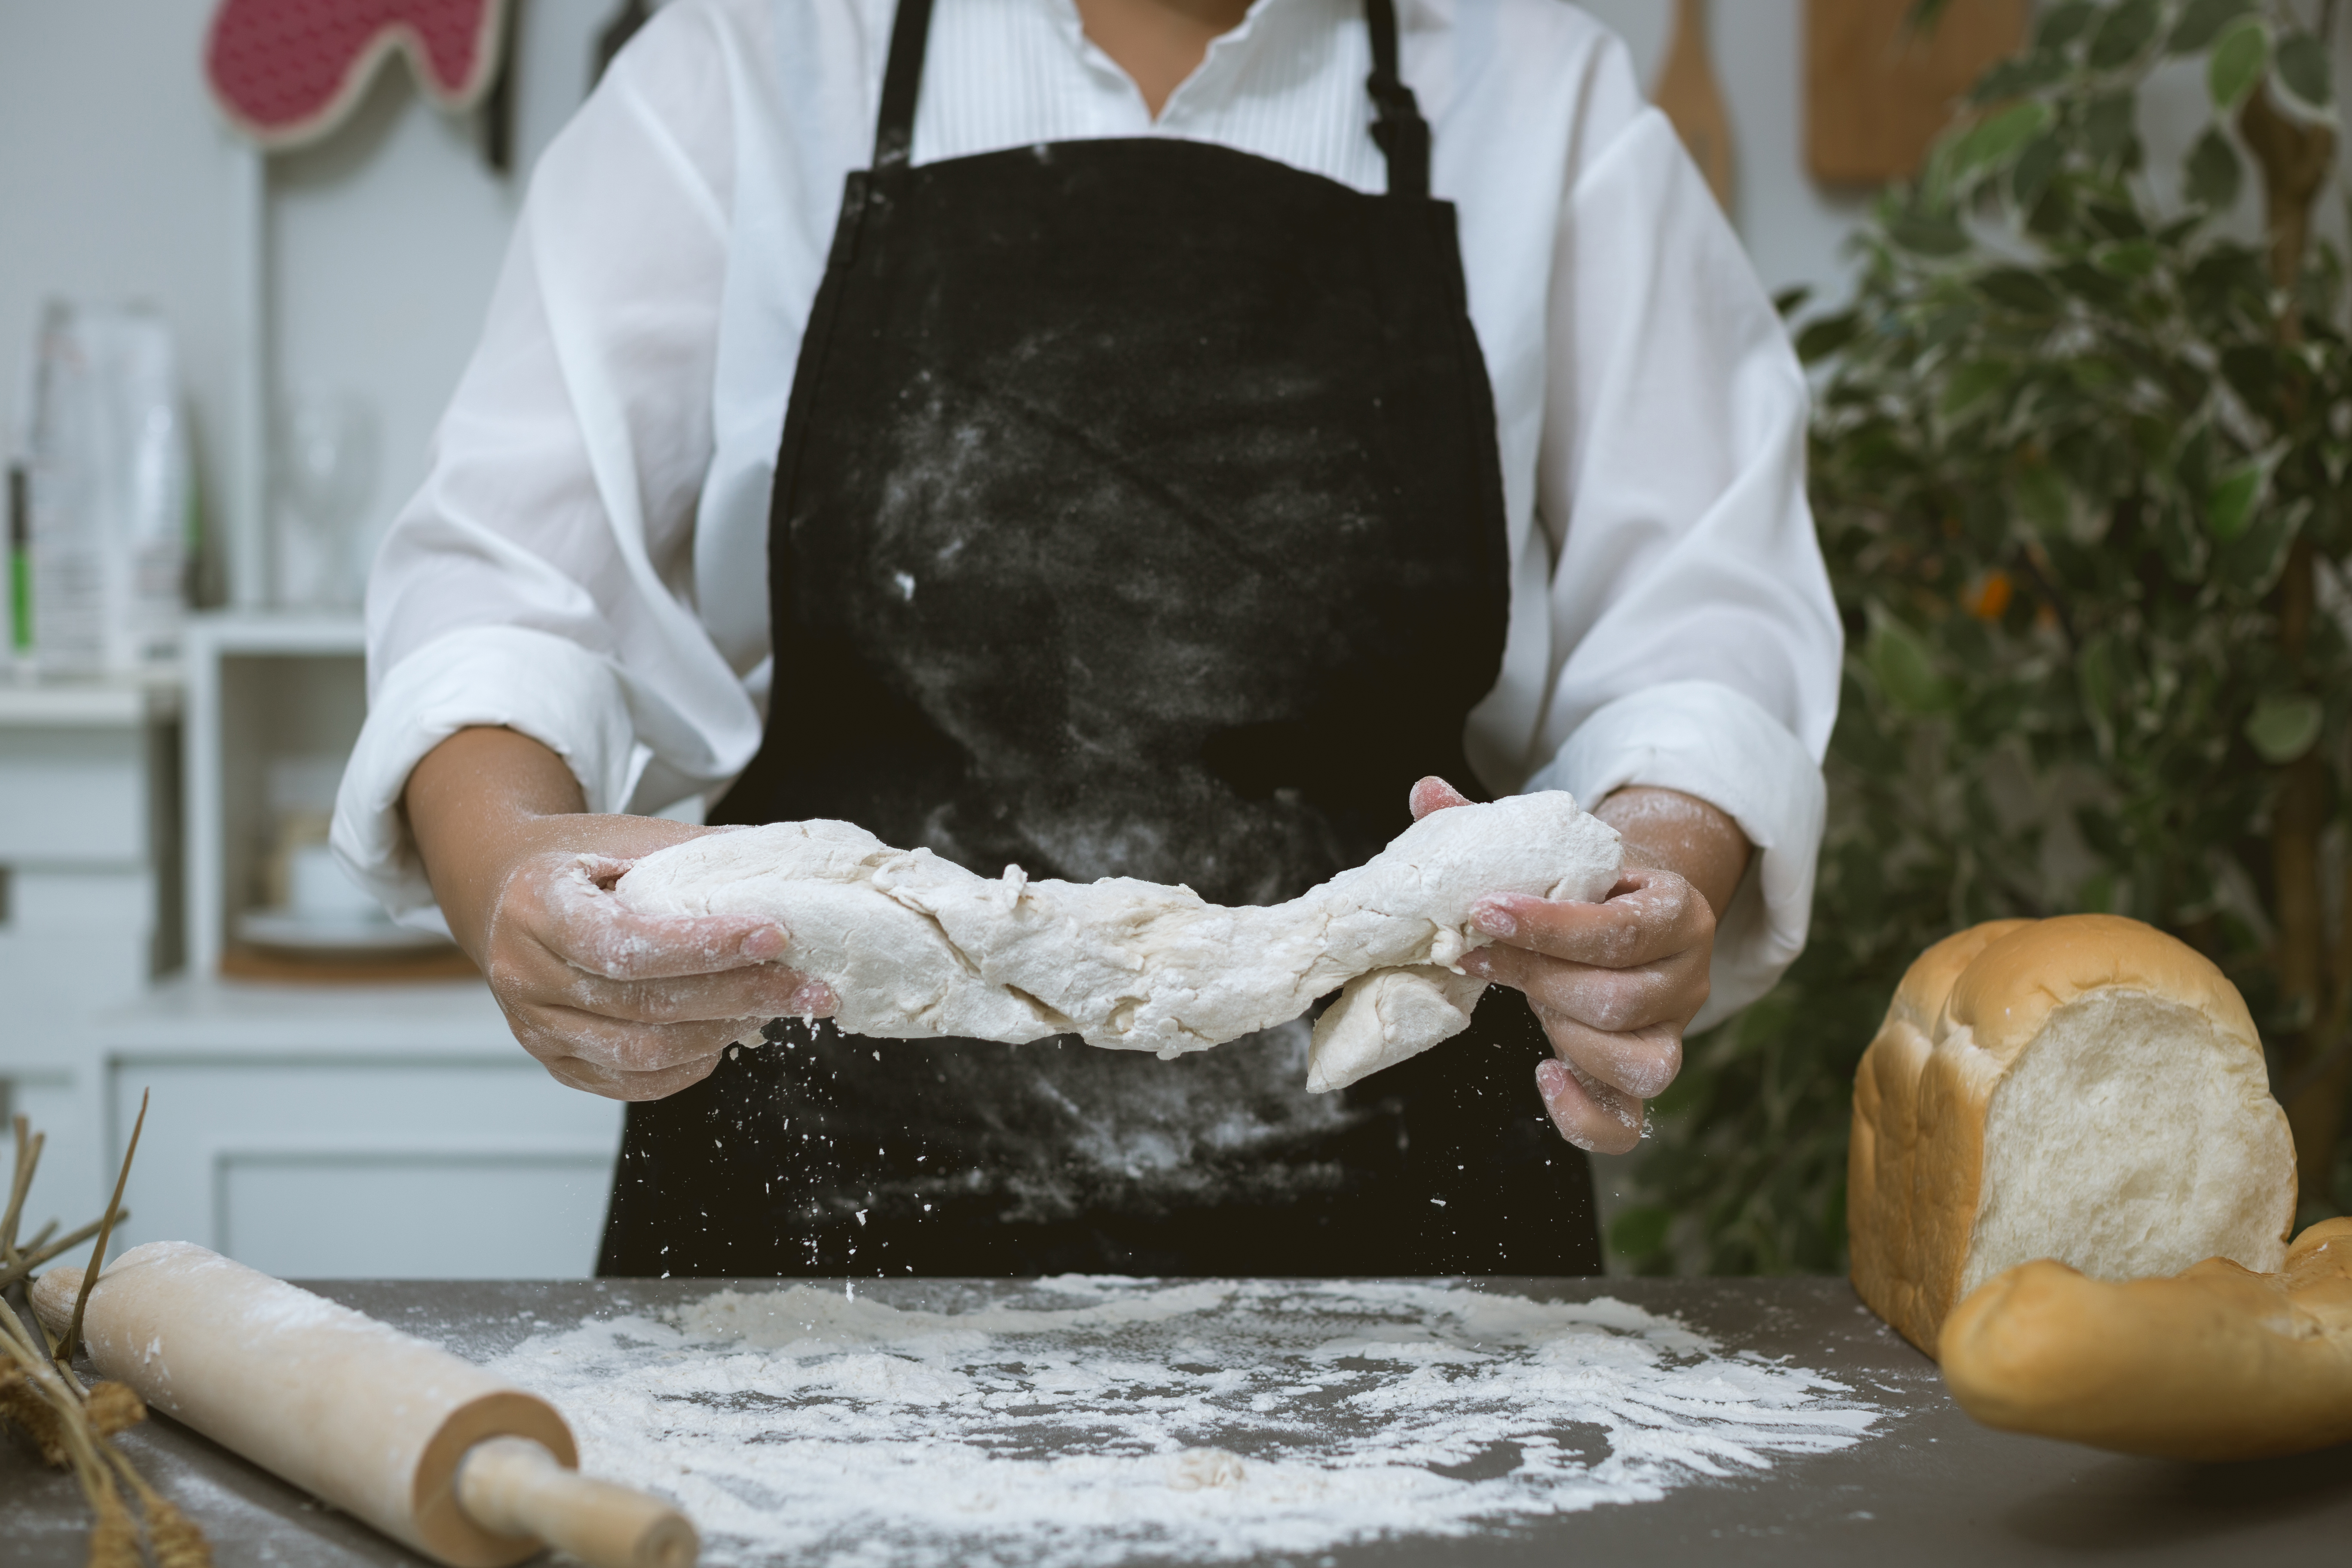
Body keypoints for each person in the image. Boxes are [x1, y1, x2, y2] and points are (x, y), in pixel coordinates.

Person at [333, 0, 1839, 1279]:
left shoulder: (1536, 90)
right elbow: (505, 583)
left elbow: (1700, 630)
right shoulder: (760, 56)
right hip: (811, 1209)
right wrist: (506, 872)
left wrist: (1656, 866)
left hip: (1405, 1216)